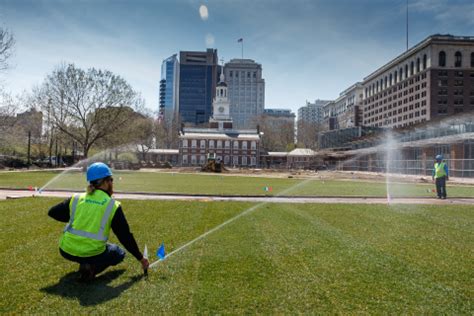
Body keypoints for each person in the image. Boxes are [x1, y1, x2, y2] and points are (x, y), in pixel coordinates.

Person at [48, 162, 149, 281]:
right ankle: (91, 269)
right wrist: (141, 258)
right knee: (119, 253)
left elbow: (52, 212)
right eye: (111, 180)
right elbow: (124, 236)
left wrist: (76, 217)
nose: (112, 183)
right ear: (105, 182)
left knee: (99, 249)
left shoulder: (77, 198)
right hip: (92, 252)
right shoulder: (112, 205)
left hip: (66, 250)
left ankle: (85, 264)